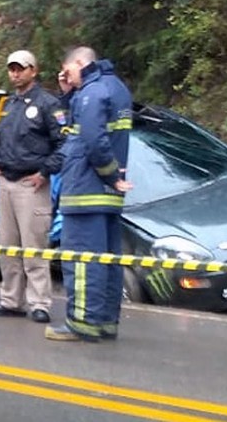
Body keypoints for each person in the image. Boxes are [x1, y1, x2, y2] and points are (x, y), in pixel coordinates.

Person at [45, 46, 132, 342]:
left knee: (82, 261)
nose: (65, 75)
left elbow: (92, 140)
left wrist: (109, 174)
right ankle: (105, 321)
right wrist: (68, 94)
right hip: (105, 195)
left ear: (81, 63)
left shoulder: (92, 92)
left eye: (67, 70)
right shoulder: (115, 88)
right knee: (107, 261)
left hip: (86, 190)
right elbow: (80, 127)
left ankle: (82, 322)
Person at [0, 50, 66, 324]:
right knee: (7, 247)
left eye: (21, 68)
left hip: (32, 185)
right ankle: (11, 300)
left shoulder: (48, 104)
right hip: (5, 183)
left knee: (34, 247)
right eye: (12, 69)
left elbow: (64, 143)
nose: (16, 73)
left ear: (34, 70)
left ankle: (40, 303)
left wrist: (45, 172)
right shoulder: (7, 104)